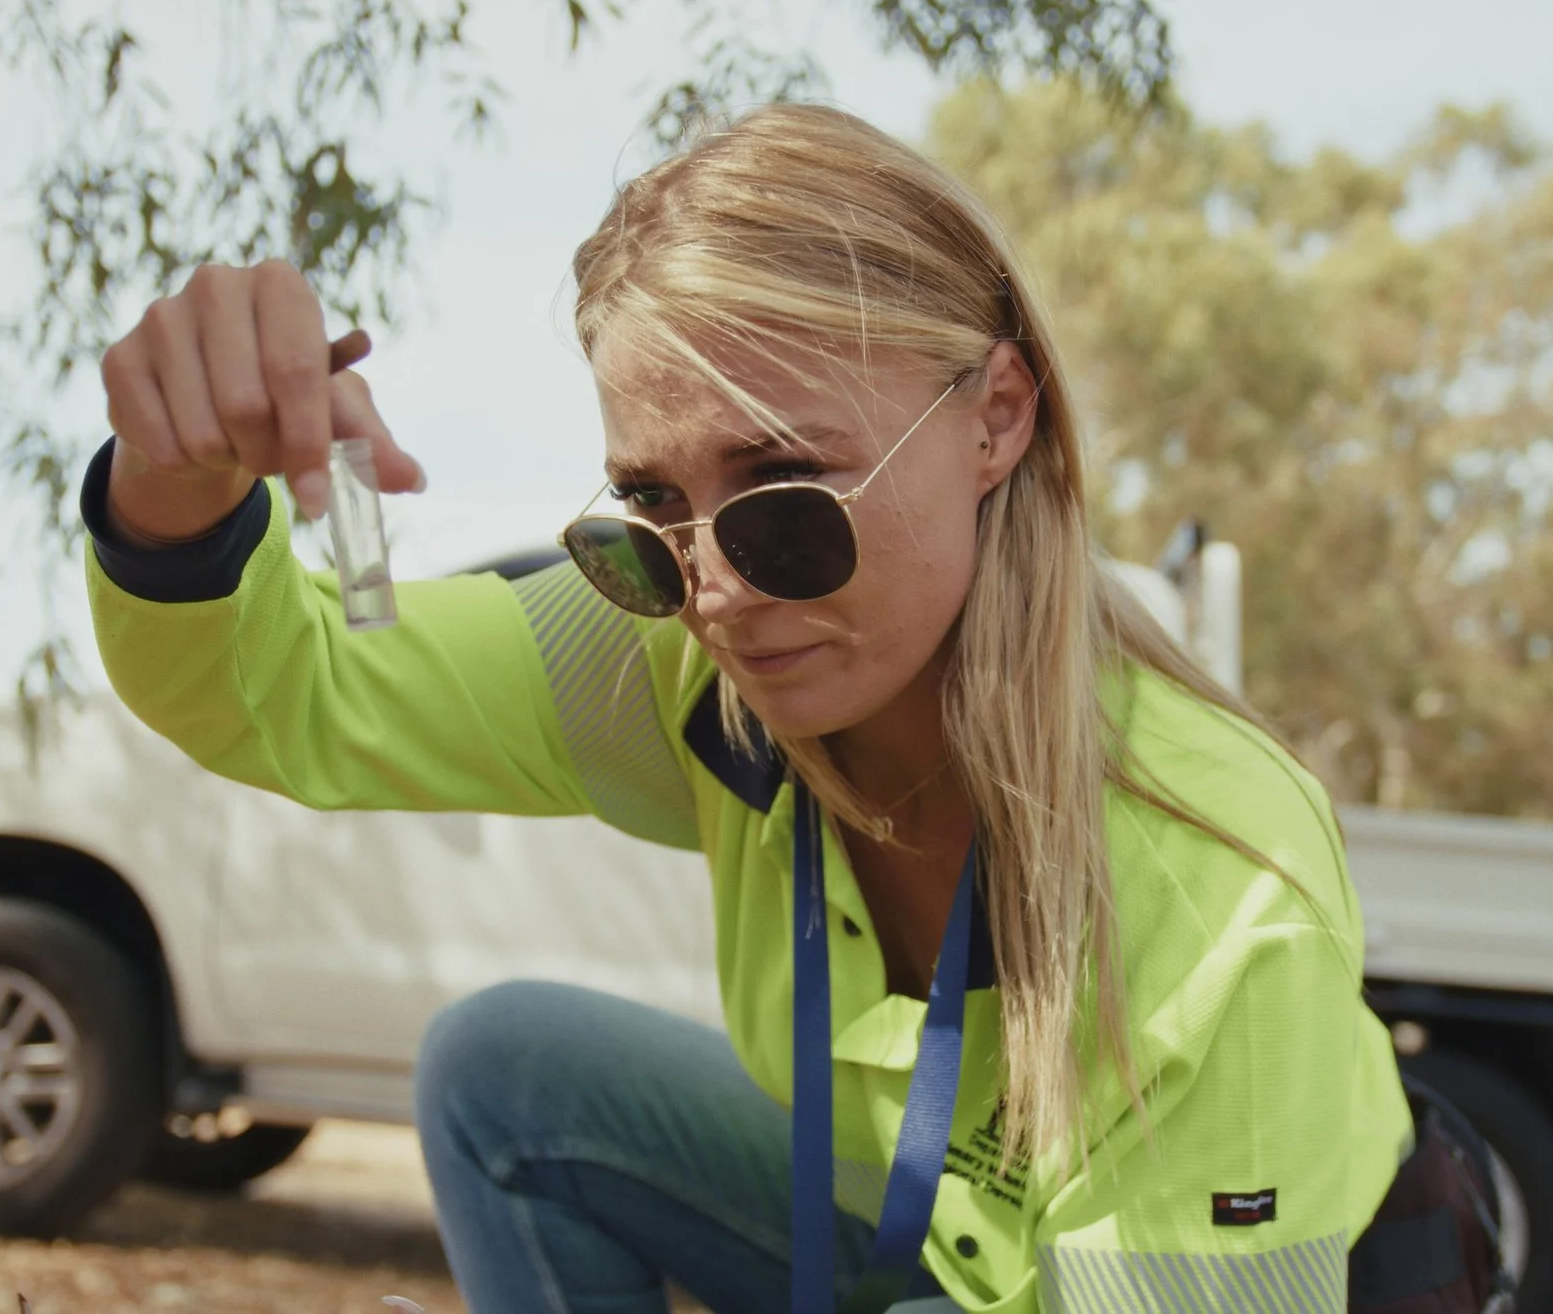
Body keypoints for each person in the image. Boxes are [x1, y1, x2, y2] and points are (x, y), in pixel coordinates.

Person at [82, 104, 1411, 1313]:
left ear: (996, 417)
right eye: (652, 509)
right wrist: (174, 485)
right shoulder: (683, 668)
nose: (717, 591)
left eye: (786, 493)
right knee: (503, 1069)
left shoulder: (1228, 881)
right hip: (913, 1235)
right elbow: (297, 693)